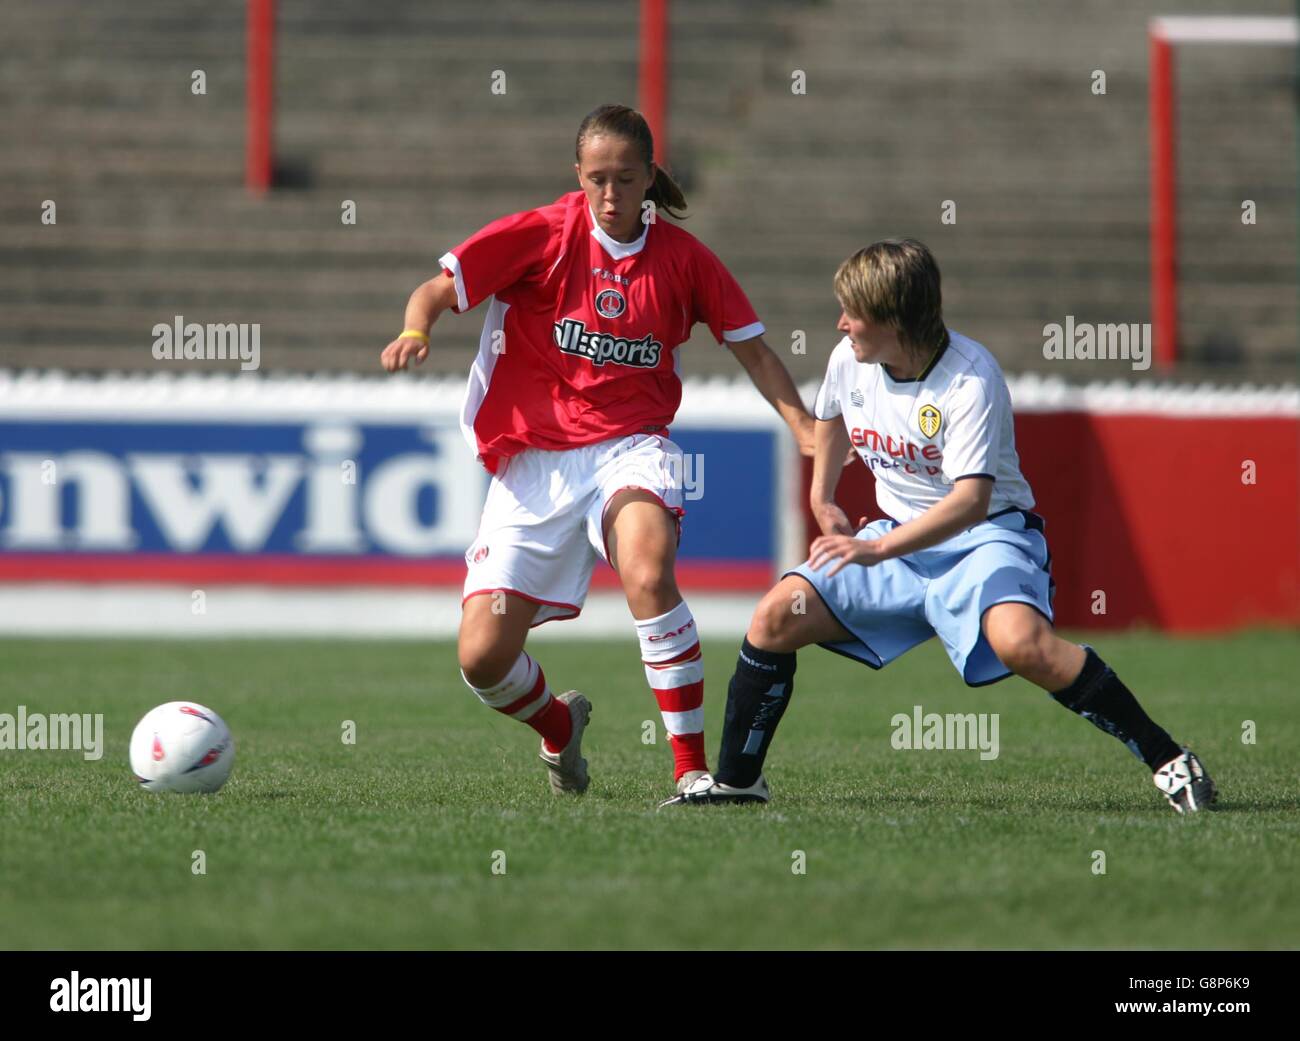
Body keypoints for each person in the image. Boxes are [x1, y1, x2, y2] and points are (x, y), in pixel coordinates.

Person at [663, 239, 1216, 814]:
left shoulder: (970, 380)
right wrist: (822, 496)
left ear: (895, 319)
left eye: (854, 312)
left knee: (1023, 646)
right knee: (776, 615)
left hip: (986, 538)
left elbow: (971, 502)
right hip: (895, 538)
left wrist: (876, 550)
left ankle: (1170, 760)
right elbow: (829, 418)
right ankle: (738, 783)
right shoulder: (848, 359)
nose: (841, 322)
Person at [381, 104, 815, 798]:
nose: (611, 195)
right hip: (533, 462)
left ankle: (693, 772)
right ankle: (558, 726)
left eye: (625, 179)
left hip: (631, 447)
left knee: (647, 571)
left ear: (650, 178)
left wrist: (804, 426)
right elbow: (437, 288)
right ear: (576, 176)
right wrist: (416, 328)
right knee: (483, 656)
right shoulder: (542, 234)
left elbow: (755, 351)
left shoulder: (684, 260)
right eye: (597, 179)